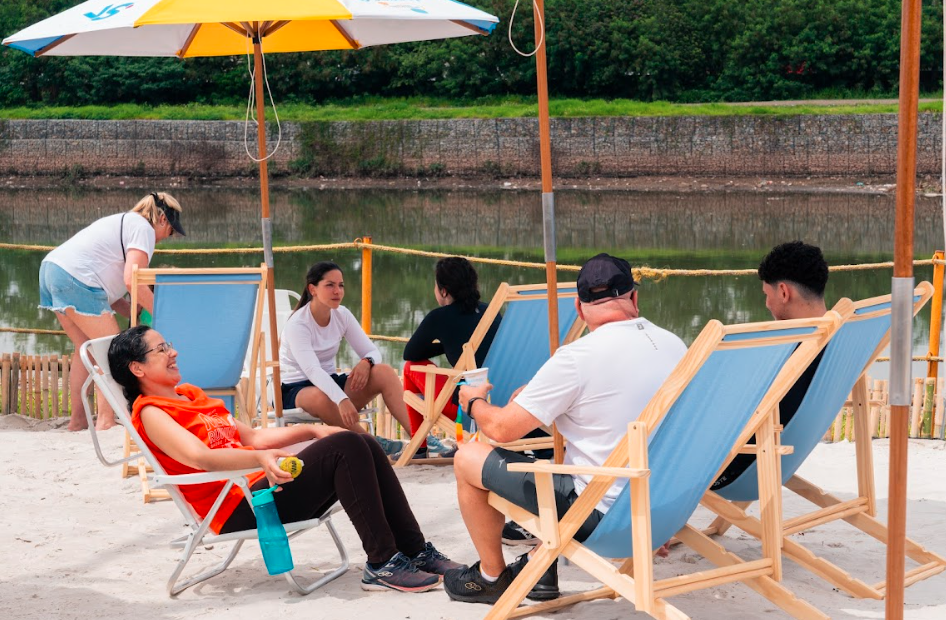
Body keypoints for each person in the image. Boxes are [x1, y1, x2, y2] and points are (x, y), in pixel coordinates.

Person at [108, 325, 462, 593]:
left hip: (258, 487)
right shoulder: (153, 411)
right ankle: (382, 561)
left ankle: (415, 551)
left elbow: (255, 436)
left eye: (168, 345)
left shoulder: (190, 395)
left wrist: (313, 431)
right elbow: (200, 458)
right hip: (236, 506)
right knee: (348, 448)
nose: (174, 352)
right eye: (161, 349)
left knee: (360, 441)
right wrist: (260, 459)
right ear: (137, 368)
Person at [443, 253, 688, 604]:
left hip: (604, 515)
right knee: (575, 456)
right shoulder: (674, 345)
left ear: (578, 306)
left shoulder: (577, 358)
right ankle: (537, 564)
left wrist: (473, 401)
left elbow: (500, 428)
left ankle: (491, 576)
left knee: (468, 458)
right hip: (660, 506)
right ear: (634, 297)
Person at [39, 192, 185, 432]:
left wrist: (134, 314)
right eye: (170, 231)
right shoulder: (143, 228)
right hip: (75, 277)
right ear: (162, 220)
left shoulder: (125, 222)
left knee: (85, 350)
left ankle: (78, 421)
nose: (165, 239)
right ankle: (106, 421)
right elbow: (133, 281)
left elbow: (113, 292)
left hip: (53, 270)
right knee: (112, 352)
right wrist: (162, 317)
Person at [712, 240, 828, 490]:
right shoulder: (837, 338)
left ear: (784, 292)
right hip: (792, 449)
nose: (766, 304)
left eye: (767, 294)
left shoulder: (779, 351)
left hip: (740, 464)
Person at [279, 262, 412, 447]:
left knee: (384, 372)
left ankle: (419, 441)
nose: (337, 291)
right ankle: (373, 444)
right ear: (313, 289)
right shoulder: (298, 324)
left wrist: (367, 362)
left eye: (341, 285)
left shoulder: (342, 314)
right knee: (321, 396)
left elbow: (373, 351)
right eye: (330, 285)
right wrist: (341, 399)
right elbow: (312, 370)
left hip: (331, 383)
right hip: (296, 389)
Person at [401, 257, 502, 459]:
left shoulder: (440, 317)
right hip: (502, 400)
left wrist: (446, 343)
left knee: (411, 367)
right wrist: (456, 344)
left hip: (468, 407)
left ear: (444, 291)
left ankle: (419, 447)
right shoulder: (490, 311)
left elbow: (410, 353)